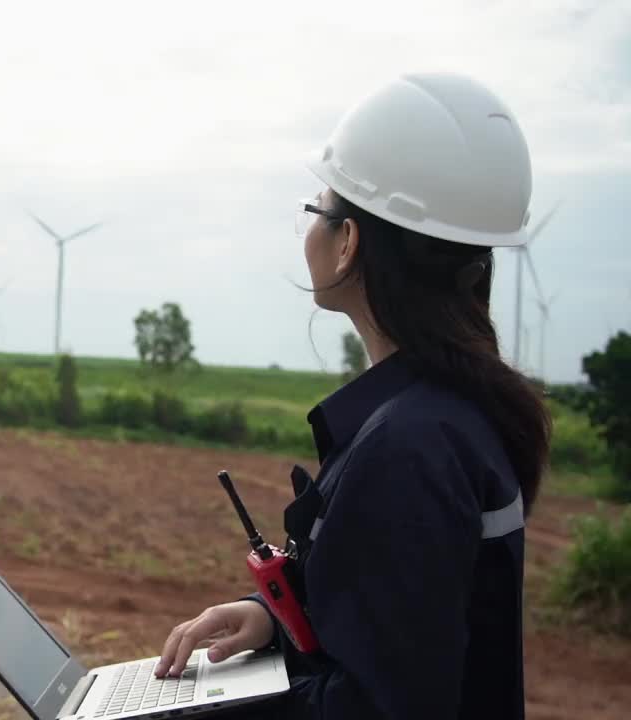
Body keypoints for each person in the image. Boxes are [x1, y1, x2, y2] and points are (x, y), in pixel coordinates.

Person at [154, 73, 552, 719]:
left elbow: (374, 705)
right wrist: (275, 617)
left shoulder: (408, 449)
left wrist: (183, 713)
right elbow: (414, 619)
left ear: (348, 244)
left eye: (318, 208)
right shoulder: (460, 414)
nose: (307, 226)